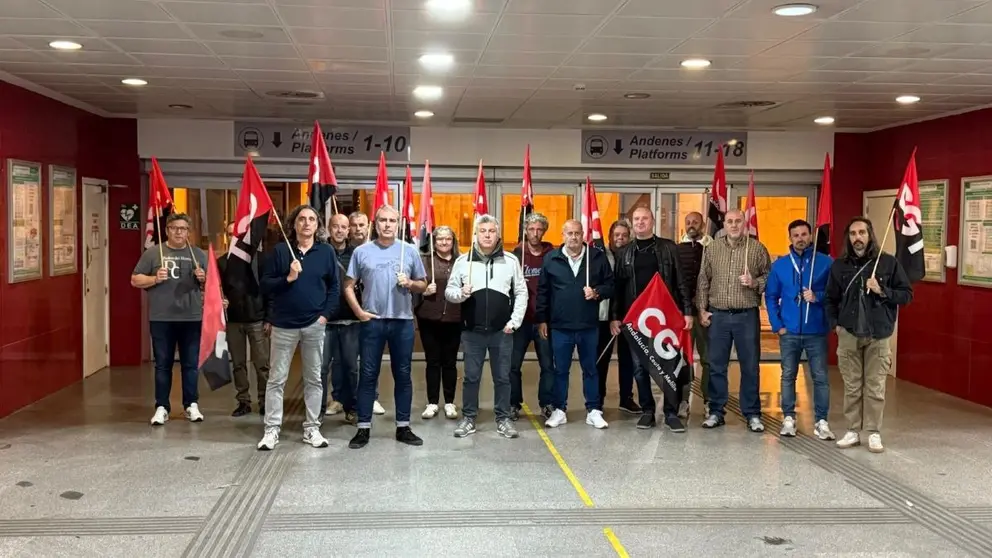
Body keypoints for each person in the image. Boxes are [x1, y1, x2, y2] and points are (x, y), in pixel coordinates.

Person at [825, 217, 912, 453]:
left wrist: (882, 290)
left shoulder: (888, 263)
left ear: (870, 234)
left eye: (862, 232)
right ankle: (853, 430)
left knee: (874, 386)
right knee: (852, 386)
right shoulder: (839, 266)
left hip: (878, 334)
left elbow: (906, 295)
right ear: (848, 238)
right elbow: (830, 299)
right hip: (849, 333)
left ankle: (873, 431)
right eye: (853, 234)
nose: (857, 238)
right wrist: (836, 325)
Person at [256, 205, 340, 450]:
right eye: (302, 219)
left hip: (314, 324)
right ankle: (271, 430)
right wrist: (288, 278)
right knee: (276, 379)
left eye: (311, 219)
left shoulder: (325, 252)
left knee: (314, 378)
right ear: (293, 224)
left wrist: (324, 316)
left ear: (317, 225)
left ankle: (312, 429)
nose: (306, 223)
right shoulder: (281, 251)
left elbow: (334, 288)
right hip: (283, 326)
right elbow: (265, 285)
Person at [344, 205, 427, 449]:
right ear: (375, 223)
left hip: (402, 322)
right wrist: (358, 311)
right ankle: (363, 428)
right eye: (383, 220)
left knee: (403, 374)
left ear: (398, 224)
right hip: (373, 322)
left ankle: (403, 426)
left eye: (392, 220)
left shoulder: (409, 251)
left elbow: (423, 284)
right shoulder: (362, 251)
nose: (387, 224)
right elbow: (348, 285)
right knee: (368, 374)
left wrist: (410, 282)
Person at [610, 206, 693, 431]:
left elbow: (681, 281)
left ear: (652, 221)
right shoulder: (624, 252)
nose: (640, 222)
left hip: (665, 319)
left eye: (644, 218)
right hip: (636, 321)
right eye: (636, 219)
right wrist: (615, 317)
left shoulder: (668, 248)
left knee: (669, 365)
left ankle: (670, 412)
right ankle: (647, 410)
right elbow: (618, 288)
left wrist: (687, 311)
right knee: (639, 368)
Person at [445, 214, 527, 439]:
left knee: (503, 378)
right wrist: (461, 293)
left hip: (502, 332)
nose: (488, 235)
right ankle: (469, 417)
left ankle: (503, 419)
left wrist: (515, 321)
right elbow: (449, 292)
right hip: (472, 332)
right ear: (476, 234)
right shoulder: (463, 261)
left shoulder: (510, 261)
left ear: (498, 233)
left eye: (491, 231)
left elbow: (521, 292)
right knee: (471, 377)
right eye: (483, 231)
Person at [696, 209, 771, 432]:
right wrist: (702, 309)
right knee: (717, 365)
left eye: (738, 221)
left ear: (744, 223)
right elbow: (703, 280)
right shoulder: (713, 248)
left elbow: (769, 275)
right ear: (724, 225)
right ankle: (716, 411)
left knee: (750, 366)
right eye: (730, 221)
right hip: (718, 315)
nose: (734, 225)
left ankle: (752, 414)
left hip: (746, 315)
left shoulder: (756, 248)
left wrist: (755, 282)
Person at [131, 213, 208, 426]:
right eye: (174, 228)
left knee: (190, 364)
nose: (178, 232)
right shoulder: (153, 253)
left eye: (183, 228)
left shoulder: (198, 254)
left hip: (191, 317)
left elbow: (213, 287)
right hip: (162, 317)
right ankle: (162, 407)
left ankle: (191, 404)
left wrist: (204, 279)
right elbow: (135, 279)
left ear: (188, 232)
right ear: (166, 230)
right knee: (162, 365)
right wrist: (155, 278)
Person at [537, 220, 614, 429]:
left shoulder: (596, 258)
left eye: (577, 233)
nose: (574, 237)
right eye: (569, 233)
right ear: (562, 235)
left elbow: (611, 285)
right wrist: (542, 319)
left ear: (583, 235)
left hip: (588, 325)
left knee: (590, 369)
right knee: (560, 370)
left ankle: (593, 410)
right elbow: (543, 291)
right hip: (560, 326)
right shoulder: (551, 259)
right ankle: (559, 410)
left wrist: (597, 292)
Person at [765, 219, 835, 440]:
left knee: (820, 377)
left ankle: (822, 421)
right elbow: (770, 296)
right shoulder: (780, 265)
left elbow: (835, 295)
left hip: (816, 331)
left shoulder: (825, 263)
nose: (800, 239)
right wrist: (778, 325)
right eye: (796, 235)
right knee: (788, 376)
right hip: (790, 332)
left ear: (810, 236)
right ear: (790, 238)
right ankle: (788, 418)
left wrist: (817, 297)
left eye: (804, 234)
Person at [217, 223, 270, 417]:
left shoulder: (261, 260)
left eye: (240, 234)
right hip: (233, 320)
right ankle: (243, 401)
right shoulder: (222, 262)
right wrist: (219, 301)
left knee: (262, 363)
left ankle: (264, 401)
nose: (236, 238)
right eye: (232, 234)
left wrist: (269, 318)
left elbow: (269, 292)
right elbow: (216, 291)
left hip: (257, 319)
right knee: (238, 363)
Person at [509, 213, 556, 420]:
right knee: (513, 365)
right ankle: (513, 403)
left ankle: (546, 403)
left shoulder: (552, 255)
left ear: (544, 231)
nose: (535, 233)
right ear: (525, 230)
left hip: (543, 321)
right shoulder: (515, 255)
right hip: (520, 320)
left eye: (539, 229)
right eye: (531, 229)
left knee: (547, 365)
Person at [415, 225, 462, 420]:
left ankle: (450, 402)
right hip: (429, 317)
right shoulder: (425, 261)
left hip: (454, 317)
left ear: (453, 241)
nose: (444, 242)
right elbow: (414, 286)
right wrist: (424, 291)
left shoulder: (462, 261)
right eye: (440, 239)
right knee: (432, 361)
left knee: (450, 362)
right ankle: (432, 402)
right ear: (434, 241)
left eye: (448, 239)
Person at [320, 213, 361, 425]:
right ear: (329, 228)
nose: (339, 230)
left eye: (343, 227)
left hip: (350, 320)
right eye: (335, 226)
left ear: (348, 230)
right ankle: (317, 411)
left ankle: (351, 407)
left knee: (351, 367)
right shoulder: (320, 251)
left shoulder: (357, 254)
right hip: (324, 320)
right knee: (321, 367)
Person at [346, 210, 385, 416]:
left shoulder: (376, 250)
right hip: (348, 314)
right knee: (347, 361)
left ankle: (373, 397)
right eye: (355, 225)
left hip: (372, 312)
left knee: (371, 358)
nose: (359, 229)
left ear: (368, 226)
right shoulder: (345, 251)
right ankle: (341, 397)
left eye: (362, 225)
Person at [597, 220, 636, 412]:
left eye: (624, 235)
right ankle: (598, 399)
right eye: (616, 235)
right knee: (601, 359)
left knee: (627, 359)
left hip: (628, 315)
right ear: (610, 236)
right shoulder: (601, 255)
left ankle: (626, 398)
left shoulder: (633, 255)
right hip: (605, 315)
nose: (620, 238)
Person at [677, 211, 712, 418]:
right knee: (683, 359)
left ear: (703, 225)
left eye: (695, 222)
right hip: (685, 315)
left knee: (708, 359)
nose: (692, 225)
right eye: (688, 222)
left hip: (706, 314)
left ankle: (709, 401)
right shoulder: (677, 249)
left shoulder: (713, 248)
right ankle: (683, 401)